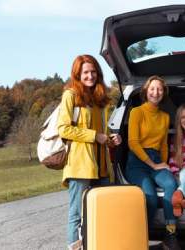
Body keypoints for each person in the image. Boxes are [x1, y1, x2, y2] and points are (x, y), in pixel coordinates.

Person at [57, 55, 122, 250]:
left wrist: (112, 139)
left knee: (102, 211)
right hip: (80, 165)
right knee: (77, 214)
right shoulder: (70, 95)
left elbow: (102, 130)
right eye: (85, 72)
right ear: (77, 74)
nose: (90, 75)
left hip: (101, 165)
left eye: (93, 72)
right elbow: (63, 129)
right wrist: (94, 136)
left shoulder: (99, 99)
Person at [125, 75, 181, 250]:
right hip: (137, 162)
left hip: (156, 159)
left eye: (159, 89)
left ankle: (170, 235)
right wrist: (155, 165)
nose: (156, 92)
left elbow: (164, 145)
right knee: (149, 197)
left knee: (171, 183)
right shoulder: (137, 112)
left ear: (163, 93)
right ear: (146, 91)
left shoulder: (164, 117)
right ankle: (142, 240)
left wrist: (164, 165)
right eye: (152, 89)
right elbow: (133, 143)